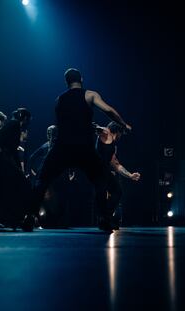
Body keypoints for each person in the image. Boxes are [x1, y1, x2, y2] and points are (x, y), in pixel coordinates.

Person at [32, 68, 132, 231]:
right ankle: (103, 219)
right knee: (100, 180)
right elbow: (108, 110)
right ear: (81, 79)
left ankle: (30, 215)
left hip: (62, 146)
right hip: (83, 147)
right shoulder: (90, 94)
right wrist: (123, 124)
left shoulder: (59, 99)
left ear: (67, 82)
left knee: (42, 179)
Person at [0, 108, 33, 231]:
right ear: (25, 118)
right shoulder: (14, 125)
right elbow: (2, 147)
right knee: (17, 186)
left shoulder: (9, 125)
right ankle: (15, 217)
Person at [96, 121, 141, 229]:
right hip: (97, 169)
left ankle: (105, 219)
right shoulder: (106, 132)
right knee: (104, 193)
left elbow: (116, 164)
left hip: (104, 169)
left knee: (117, 191)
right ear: (118, 131)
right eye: (121, 134)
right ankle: (104, 219)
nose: (121, 137)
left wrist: (130, 175)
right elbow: (96, 129)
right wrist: (95, 127)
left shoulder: (113, 147)